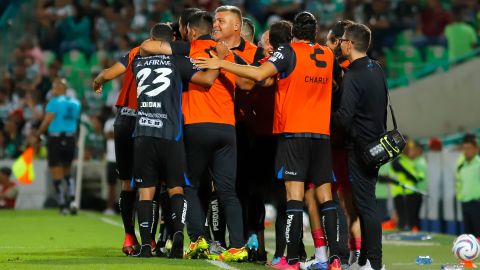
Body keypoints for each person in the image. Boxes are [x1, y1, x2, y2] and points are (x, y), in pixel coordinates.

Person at [196, 11, 343, 270]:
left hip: (294, 133)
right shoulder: (328, 55)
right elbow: (331, 86)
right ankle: (335, 259)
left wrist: (221, 63)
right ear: (316, 33)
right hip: (321, 134)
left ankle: (292, 260)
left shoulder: (288, 52)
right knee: (326, 197)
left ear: (294, 33)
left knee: (294, 197)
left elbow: (258, 74)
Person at [140, 9, 251, 262]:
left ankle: (198, 239)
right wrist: (225, 63)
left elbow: (147, 47)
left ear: (190, 31)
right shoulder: (226, 54)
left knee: (188, 185)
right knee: (227, 191)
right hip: (226, 129)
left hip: (196, 126)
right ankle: (237, 246)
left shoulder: (185, 49)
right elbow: (248, 83)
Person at [132, 22, 225, 258]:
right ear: (170, 41)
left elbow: (143, 49)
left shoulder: (138, 62)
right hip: (171, 134)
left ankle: (145, 245)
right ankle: (177, 236)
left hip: (143, 133)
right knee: (176, 189)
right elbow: (206, 81)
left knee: (146, 191)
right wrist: (218, 62)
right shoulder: (178, 61)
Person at [333, 23, 387, 270]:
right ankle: (365, 260)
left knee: (366, 205)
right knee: (367, 202)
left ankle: (374, 263)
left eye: (342, 40)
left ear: (350, 44)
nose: (340, 43)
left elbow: (344, 117)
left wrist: (322, 114)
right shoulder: (376, 68)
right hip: (376, 145)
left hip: (360, 147)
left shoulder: (354, 75)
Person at [35, 77, 81, 215]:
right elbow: (75, 121)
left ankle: (62, 205)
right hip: (70, 138)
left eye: (54, 86)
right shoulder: (75, 103)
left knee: (56, 171)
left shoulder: (54, 103)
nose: (53, 89)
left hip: (56, 138)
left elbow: (47, 120)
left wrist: (38, 134)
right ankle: (72, 200)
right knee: (67, 170)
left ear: (59, 88)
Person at [390, 140, 425, 231]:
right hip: (402, 192)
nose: (410, 150)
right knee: (405, 219)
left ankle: (412, 233)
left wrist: (415, 177)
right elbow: (411, 175)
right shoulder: (399, 160)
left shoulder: (408, 160)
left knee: (411, 218)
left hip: (409, 191)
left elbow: (416, 175)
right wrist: (414, 177)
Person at [456, 134, 480, 241]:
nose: (466, 151)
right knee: (468, 236)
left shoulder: (478, 164)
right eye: (464, 149)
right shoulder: (462, 166)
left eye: (469, 148)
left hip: (477, 203)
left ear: (476, 149)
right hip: (465, 203)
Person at [103, 114, 117, 215]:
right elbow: (107, 135)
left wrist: (115, 134)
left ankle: (128, 209)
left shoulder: (130, 118)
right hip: (111, 158)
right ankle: (110, 207)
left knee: (128, 184)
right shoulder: (109, 122)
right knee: (111, 185)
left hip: (124, 157)